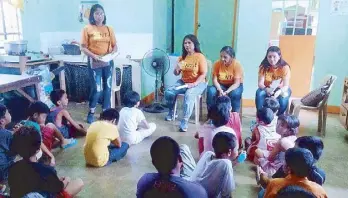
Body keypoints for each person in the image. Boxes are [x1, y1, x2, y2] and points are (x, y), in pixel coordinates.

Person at [8, 126, 84, 198]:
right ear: (38, 149)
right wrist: (66, 180)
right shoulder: (46, 170)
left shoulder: (12, 169)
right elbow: (59, 188)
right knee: (79, 182)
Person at [81, 3, 118, 124]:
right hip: (94, 62)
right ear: (92, 15)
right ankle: (91, 111)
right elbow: (83, 48)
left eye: (101, 13)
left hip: (107, 62)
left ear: (104, 15)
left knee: (107, 88)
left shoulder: (109, 29)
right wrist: (94, 56)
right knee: (97, 89)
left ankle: (105, 113)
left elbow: (115, 46)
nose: (99, 16)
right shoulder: (87, 29)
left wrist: (112, 53)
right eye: (97, 13)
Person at [136, 136, 208, 198]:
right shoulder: (197, 190)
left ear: (153, 163)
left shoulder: (145, 181)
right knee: (204, 153)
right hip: (187, 180)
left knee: (183, 148)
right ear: (180, 159)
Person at [164, 34, 208, 132]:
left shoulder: (200, 57)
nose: (187, 45)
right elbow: (176, 73)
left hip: (199, 83)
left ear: (194, 44)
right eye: (185, 43)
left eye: (189, 43)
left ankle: (185, 120)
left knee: (189, 94)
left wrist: (195, 83)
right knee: (169, 92)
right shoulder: (182, 58)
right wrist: (177, 68)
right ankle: (171, 112)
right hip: (184, 82)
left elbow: (204, 73)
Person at [258, 136, 326, 198]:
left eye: (295, 148)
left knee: (261, 193)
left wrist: (264, 178)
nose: (292, 149)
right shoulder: (320, 181)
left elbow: (272, 184)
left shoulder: (278, 180)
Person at [189, 132, 238, 198]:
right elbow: (227, 193)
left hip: (190, 189)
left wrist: (237, 161)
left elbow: (219, 165)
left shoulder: (208, 154)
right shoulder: (226, 164)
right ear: (229, 152)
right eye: (236, 149)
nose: (237, 151)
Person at [206, 46, 244, 112]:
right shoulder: (217, 64)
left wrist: (227, 92)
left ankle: (233, 116)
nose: (222, 59)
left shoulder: (237, 65)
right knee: (211, 91)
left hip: (234, 85)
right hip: (221, 85)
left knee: (235, 94)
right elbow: (214, 80)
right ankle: (211, 116)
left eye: (225, 57)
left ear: (232, 57)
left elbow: (237, 83)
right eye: (221, 56)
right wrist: (220, 90)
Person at [256, 46, 291, 115]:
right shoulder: (263, 67)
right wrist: (266, 89)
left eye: (274, 56)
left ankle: (278, 118)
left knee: (283, 100)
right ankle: (261, 116)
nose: (272, 59)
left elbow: (286, 86)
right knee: (259, 94)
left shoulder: (285, 67)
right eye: (269, 56)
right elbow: (260, 83)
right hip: (267, 88)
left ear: (279, 56)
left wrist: (279, 92)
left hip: (281, 89)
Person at [0, 104, 15, 183]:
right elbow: (12, 153)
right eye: (8, 112)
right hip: (3, 171)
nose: (9, 114)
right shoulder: (7, 134)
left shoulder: (5, 133)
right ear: (2, 120)